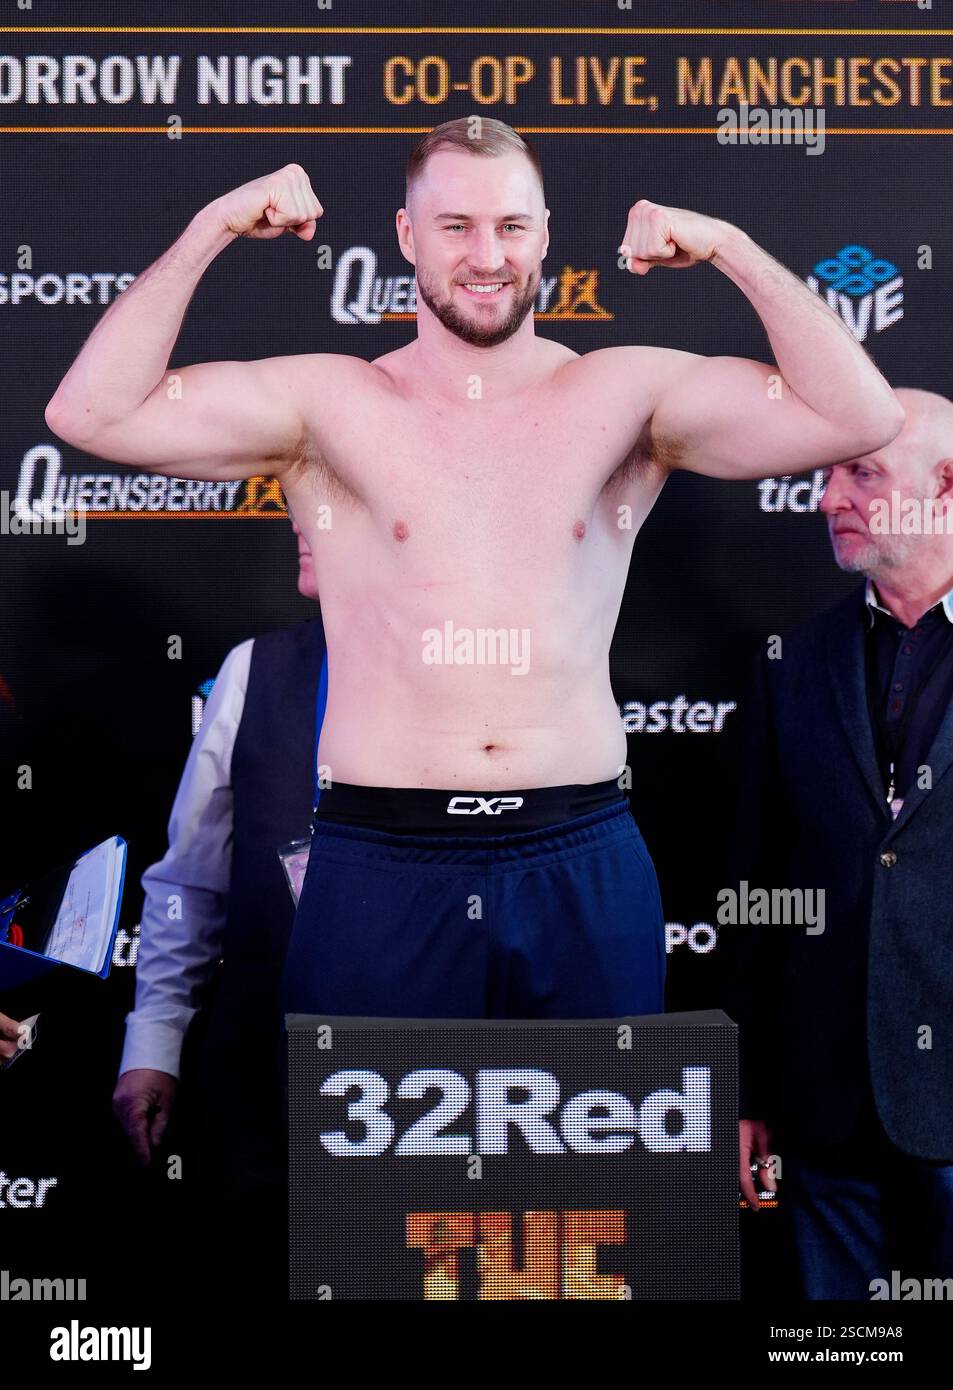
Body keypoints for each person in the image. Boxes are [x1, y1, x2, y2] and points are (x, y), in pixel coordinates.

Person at [45, 116, 903, 1029]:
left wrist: (730, 247)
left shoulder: (624, 396)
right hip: (381, 860)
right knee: (376, 1178)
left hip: (578, 852)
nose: (485, 255)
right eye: (453, 226)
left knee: (591, 1173)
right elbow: (92, 414)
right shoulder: (326, 405)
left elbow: (858, 415)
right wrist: (214, 223)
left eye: (510, 227)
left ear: (544, 235)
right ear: (408, 238)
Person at [725, 388, 953, 1299]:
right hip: (825, 1103)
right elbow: (754, 884)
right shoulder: (793, 661)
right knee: (843, 1350)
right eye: (826, 474)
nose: (827, 497)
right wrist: (750, 1090)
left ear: (944, 485)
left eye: (861, 472)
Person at [111, 511, 326, 1294]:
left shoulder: (500, 677)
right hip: (257, 1077)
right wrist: (155, 1042)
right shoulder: (255, 670)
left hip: (423, 1077)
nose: (306, 518)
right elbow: (189, 882)